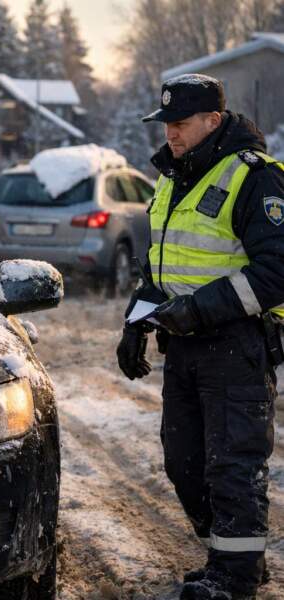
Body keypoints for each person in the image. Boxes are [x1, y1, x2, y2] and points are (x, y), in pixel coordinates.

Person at [117, 74, 284, 600]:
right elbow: (162, 268)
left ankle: (234, 580)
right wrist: (135, 323)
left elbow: (277, 271)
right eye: (166, 123)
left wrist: (198, 310)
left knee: (232, 465)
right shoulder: (173, 176)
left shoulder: (255, 177)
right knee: (182, 461)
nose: (171, 133)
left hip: (238, 345)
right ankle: (230, 560)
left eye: (182, 123)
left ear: (213, 121)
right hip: (184, 345)